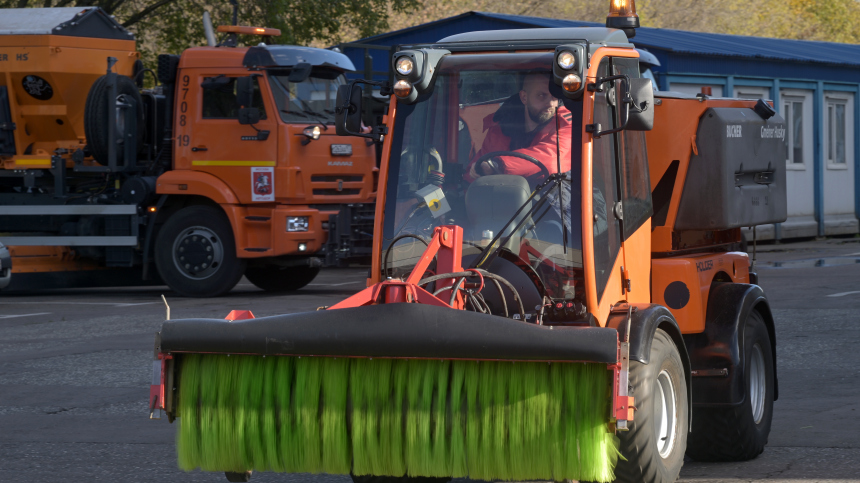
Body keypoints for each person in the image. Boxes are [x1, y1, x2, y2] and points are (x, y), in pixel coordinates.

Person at [466, 71, 572, 181]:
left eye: (554, 97)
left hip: (549, 195)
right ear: (524, 97)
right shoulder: (500, 129)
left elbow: (552, 158)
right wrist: (475, 172)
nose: (551, 104)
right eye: (541, 96)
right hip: (505, 195)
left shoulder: (565, 124)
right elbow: (472, 173)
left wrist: (497, 165)